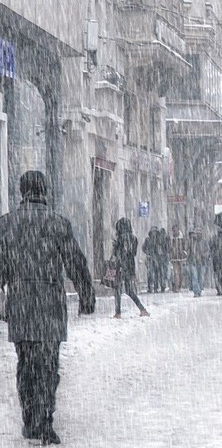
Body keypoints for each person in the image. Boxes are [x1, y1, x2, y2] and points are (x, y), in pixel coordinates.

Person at [0, 170, 95, 444]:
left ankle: (31, 420)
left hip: (21, 305)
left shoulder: (6, 225)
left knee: (26, 365)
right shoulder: (58, 224)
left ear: (22, 192)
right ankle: (45, 421)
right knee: (47, 366)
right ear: (45, 191)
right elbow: (76, 263)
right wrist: (86, 296)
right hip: (50, 306)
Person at [112, 218, 149, 318]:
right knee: (129, 289)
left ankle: (118, 312)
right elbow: (133, 253)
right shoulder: (134, 238)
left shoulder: (119, 239)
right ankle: (142, 309)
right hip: (130, 265)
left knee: (117, 289)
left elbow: (116, 253)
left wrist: (115, 247)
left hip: (120, 266)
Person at [187, 228, 210, 297]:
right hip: (193, 262)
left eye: (199, 233)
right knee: (194, 277)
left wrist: (204, 255)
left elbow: (208, 251)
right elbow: (188, 251)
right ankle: (196, 292)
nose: (197, 235)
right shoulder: (191, 242)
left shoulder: (204, 242)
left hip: (202, 262)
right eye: (196, 233)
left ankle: (199, 290)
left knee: (201, 278)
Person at [168, 225, 187, 292]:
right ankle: (176, 287)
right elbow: (168, 247)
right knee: (176, 273)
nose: (175, 232)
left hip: (182, 258)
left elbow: (186, 246)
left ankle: (179, 285)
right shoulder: (170, 239)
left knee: (181, 272)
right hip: (174, 258)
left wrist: (184, 252)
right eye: (174, 230)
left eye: (176, 230)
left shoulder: (182, 238)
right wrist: (170, 253)